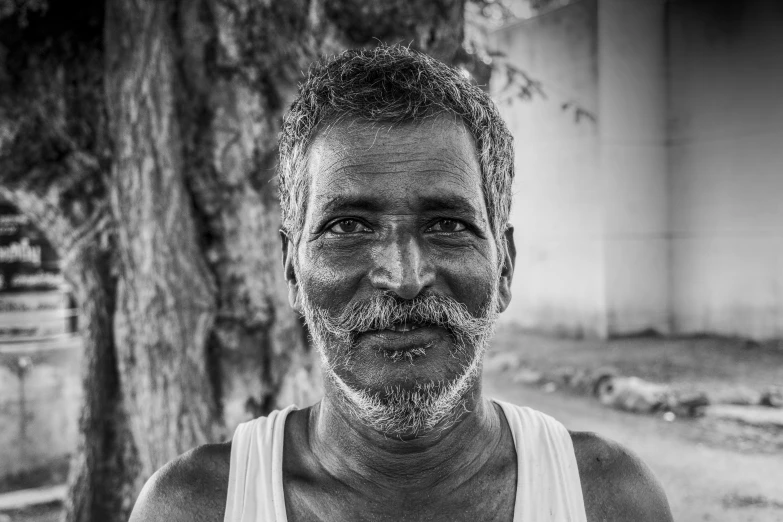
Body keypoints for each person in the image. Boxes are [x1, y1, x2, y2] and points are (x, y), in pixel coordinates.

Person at [129, 45, 673, 522]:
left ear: (504, 265)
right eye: (347, 226)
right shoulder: (193, 506)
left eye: (447, 224)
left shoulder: (608, 500)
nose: (405, 278)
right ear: (292, 270)